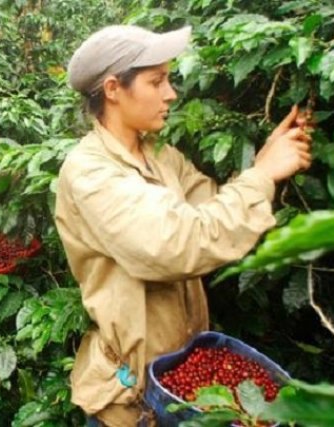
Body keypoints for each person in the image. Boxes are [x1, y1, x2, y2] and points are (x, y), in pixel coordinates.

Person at [54, 25, 312, 426]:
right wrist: (262, 174)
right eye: (156, 81)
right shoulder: (90, 173)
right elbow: (178, 244)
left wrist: (266, 166)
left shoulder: (161, 156)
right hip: (132, 400)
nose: (170, 93)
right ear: (112, 89)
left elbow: (213, 216)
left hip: (180, 383)